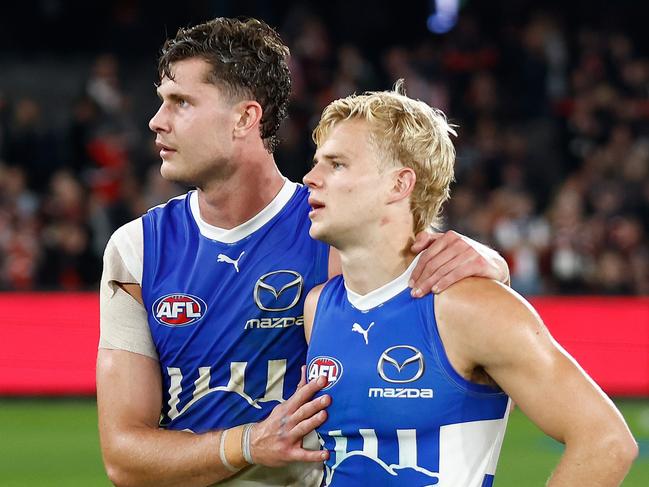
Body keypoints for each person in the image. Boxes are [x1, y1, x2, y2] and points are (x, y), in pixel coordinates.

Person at [96, 18, 510, 487]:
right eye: (161, 102)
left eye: (181, 102)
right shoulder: (137, 250)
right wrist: (249, 444)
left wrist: (489, 263)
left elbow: (428, 293)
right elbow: (123, 458)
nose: (157, 121)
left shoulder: (331, 231)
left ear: (244, 119)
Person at [303, 83, 638, 486]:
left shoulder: (470, 306)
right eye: (318, 162)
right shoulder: (318, 307)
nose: (310, 177)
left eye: (336, 164)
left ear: (399, 184)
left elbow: (606, 442)